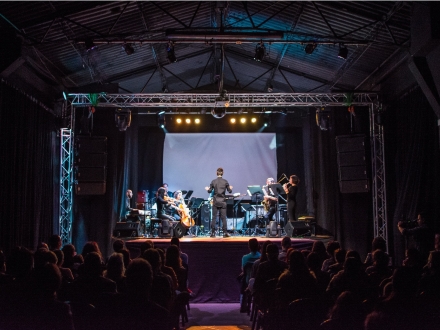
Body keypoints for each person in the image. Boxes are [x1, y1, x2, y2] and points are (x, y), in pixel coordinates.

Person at [205, 167, 233, 238]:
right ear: (222, 173)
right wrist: (230, 188)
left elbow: (209, 191)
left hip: (216, 201)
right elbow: (229, 191)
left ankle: (213, 233)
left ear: (216, 173)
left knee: (214, 217)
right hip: (223, 201)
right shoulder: (225, 181)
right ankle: (225, 233)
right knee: (223, 218)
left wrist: (207, 189)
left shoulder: (213, 181)